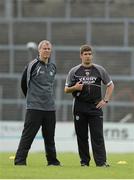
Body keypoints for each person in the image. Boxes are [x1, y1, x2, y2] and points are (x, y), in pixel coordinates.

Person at [64, 44, 114, 167]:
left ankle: (101, 162)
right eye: (85, 54)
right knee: (82, 136)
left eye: (90, 54)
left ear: (92, 55)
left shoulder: (99, 70)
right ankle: (84, 162)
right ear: (81, 56)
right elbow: (66, 89)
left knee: (97, 136)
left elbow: (110, 85)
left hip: (95, 107)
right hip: (79, 107)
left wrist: (105, 100)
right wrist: (75, 87)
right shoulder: (74, 71)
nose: (88, 56)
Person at [14, 40, 61, 166]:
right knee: (28, 136)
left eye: (48, 49)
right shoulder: (33, 65)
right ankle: (19, 161)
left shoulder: (53, 67)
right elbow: (24, 83)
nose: (46, 51)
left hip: (50, 108)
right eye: (44, 48)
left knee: (49, 137)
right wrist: (30, 98)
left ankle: (52, 161)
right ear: (39, 50)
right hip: (34, 107)